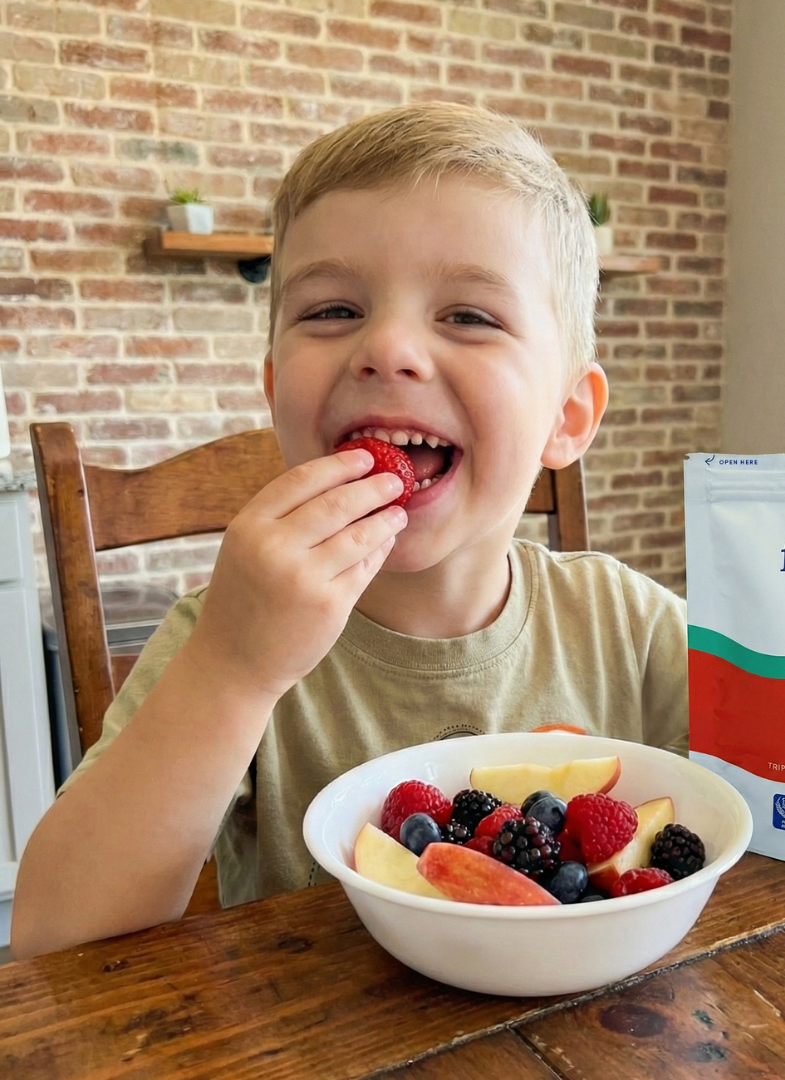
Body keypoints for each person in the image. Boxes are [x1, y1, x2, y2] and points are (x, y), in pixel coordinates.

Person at [11, 103, 688, 959]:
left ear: (566, 416)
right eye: (332, 310)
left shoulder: (628, 628)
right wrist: (232, 670)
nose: (389, 347)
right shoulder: (223, 633)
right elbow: (51, 938)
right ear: (272, 386)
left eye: (469, 315)